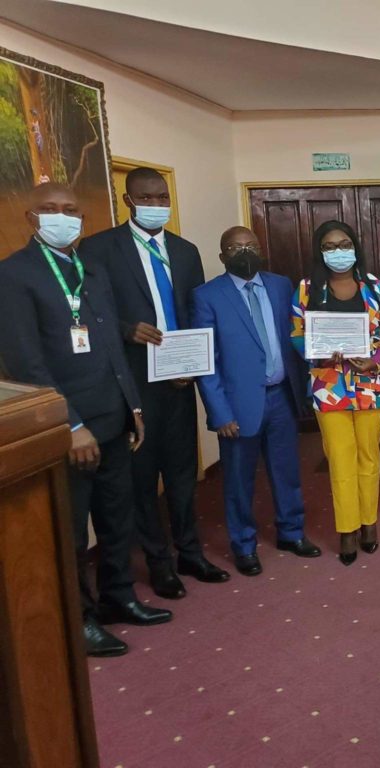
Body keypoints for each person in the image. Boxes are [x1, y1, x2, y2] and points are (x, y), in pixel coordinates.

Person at [0, 182, 172, 657]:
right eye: (51, 210)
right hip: (69, 430)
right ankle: (80, 619)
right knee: (73, 531)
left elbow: (112, 346)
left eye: (71, 210)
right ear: (32, 217)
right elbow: (25, 365)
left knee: (117, 518)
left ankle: (120, 598)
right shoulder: (15, 276)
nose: (63, 217)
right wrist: (71, 425)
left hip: (113, 419)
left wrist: (133, 407)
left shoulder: (89, 269)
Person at [79, 167, 229, 599]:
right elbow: (90, 311)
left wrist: (194, 363)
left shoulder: (184, 251)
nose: (156, 205)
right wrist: (127, 329)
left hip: (178, 379)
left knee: (183, 473)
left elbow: (195, 312)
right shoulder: (101, 249)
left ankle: (190, 552)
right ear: (128, 201)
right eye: (146, 198)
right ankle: (159, 563)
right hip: (133, 382)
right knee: (142, 478)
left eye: (162, 197)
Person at [192, 226, 321, 575]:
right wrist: (219, 412)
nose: (244, 252)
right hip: (237, 405)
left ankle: (291, 533)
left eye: (250, 246)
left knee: (287, 472)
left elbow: (295, 336)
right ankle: (244, 545)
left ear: (261, 250)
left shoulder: (280, 285)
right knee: (238, 479)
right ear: (222, 256)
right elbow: (208, 361)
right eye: (235, 247)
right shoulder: (207, 296)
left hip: (281, 396)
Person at [289, 220, 380, 565]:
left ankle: (370, 523)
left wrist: (376, 361)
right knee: (339, 458)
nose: (338, 252)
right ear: (319, 251)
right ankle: (347, 529)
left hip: (369, 386)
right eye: (329, 246)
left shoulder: (376, 286)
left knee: (369, 456)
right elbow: (296, 333)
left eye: (344, 244)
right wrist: (321, 353)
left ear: (355, 246)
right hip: (329, 388)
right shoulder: (308, 288)